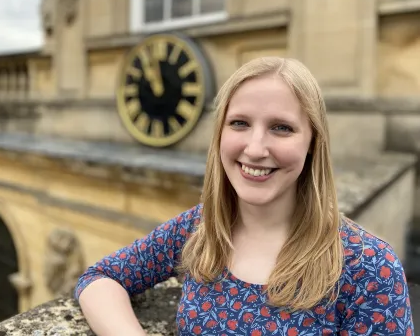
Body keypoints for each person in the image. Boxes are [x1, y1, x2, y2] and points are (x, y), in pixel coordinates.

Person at [73, 57, 415, 335]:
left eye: (281, 127)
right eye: (239, 123)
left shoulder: (369, 266)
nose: (255, 148)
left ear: (313, 143)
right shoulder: (201, 226)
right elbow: (100, 278)